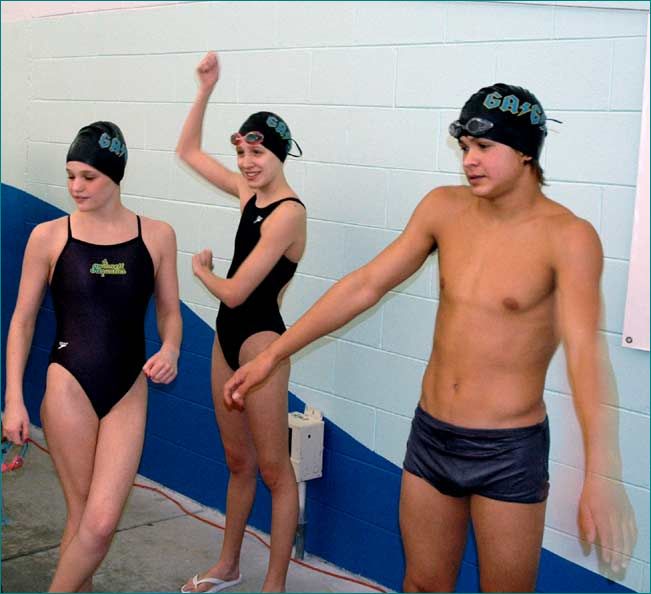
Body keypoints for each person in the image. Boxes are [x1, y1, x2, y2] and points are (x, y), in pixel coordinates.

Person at [224, 83, 637, 592]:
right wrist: (274, 355)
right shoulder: (444, 208)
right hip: (431, 436)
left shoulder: (569, 237)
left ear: (526, 150)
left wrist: (604, 472)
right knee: (421, 585)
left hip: (507, 452)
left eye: (484, 147)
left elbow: (587, 356)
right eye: (465, 148)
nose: (469, 160)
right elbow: (365, 284)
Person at [2, 121, 182, 592]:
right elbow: (21, 320)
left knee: (97, 525)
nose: (76, 187)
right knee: (87, 520)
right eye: (71, 175)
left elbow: (169, 313)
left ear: (115, 175)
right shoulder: (49, 236)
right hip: (69, 385)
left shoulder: (158, 235)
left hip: (128, 389)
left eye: (88, 176)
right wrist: (14, 400)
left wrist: (171, 348)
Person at [176, 51, 306, 593]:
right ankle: (228, 565)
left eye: (257, 152)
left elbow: (236, 290)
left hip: (260, 345)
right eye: (242, 152)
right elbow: (185, 151)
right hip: (226, 338)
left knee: (275, 470)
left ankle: (273, 583)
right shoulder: (248, 192)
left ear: (278, 154)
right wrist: (206, 87)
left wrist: (203, 273)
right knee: (237, 461)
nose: (248, 162)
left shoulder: (289, 212)